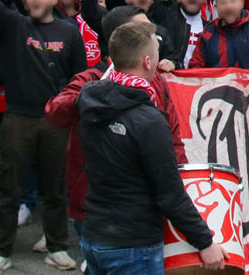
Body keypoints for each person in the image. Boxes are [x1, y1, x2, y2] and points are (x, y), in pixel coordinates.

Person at [0, 0, 85, 274]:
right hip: (18, 118)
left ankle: (57, 246)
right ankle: (1, 251)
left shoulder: (70, 32)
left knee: (55, 189)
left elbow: (79, 79)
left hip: (56, 121)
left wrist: (73, 116)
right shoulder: (14, 26)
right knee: (9, 189)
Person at [77, 21, 225, 275]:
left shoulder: (89, 101)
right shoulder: (148, 119)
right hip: (133, 245)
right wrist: (205, 241)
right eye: (157, 56)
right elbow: (169, 192)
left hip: (94, 234)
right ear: (147, 62)